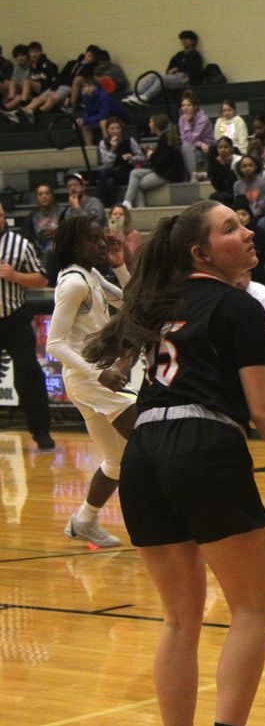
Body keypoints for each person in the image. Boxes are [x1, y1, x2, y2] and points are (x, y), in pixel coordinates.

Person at [83, 200, 265, 726]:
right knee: (251, 607)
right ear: (202, 253)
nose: (247, 232)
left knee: (179, 620)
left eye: (244, 223)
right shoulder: (238, 306)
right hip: (203, 443)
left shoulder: (161, 303)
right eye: (230, 229)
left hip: (144, 451)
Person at [48, 217, 135, 549]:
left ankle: (84, 520)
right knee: (149, 443)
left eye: (103, 239)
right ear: (74, 246)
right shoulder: (74, 284)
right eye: (94, 240)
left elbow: (130, 303)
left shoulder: (92, 274)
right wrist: (98, 373)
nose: (102, 245)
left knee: (116, 462)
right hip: (92, 378)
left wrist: (121, 265)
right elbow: (53, 344)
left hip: (91, 378)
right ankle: (172, 521)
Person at [0, 204, 54, 451]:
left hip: (13, 318)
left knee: (29, 375)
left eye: (1, 214)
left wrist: (16, 277)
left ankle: (41, 432)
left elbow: (42, 279)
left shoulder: (19, 244)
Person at [124, 30, 203, 105]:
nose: (183, 41)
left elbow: (195, 72)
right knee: (153, 76)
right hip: (173, 77)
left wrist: (183, 73)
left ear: (193, 41)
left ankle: (146, 97)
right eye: (182, 39)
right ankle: (135, 95)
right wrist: (171, 71)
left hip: (185, 80)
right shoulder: (179, 55)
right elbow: (168, 69)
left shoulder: (196, 56)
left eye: (186, 39)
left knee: (163, 79)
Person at [124, 115, 186, 209]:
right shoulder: (164, 138)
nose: (149, 125)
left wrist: (151, 155)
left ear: (156, 125)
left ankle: (140, 208)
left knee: (137, 185)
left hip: (166, 174)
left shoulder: (164, 139)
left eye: (150, 122)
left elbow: (161, 162)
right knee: (134, 173)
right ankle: (127, 201)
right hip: (162, 171)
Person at [96, 117, 143, 209]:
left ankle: (99, 205)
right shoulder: (104, 143)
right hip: (112, 172)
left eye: (118, 128)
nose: (115, 131)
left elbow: (142, 158)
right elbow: (107, 163)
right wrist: (113, 149)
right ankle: (111, 207)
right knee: (110, 182)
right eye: (112, 128)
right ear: (108, 130)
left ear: (121, 129)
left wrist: (132, 157)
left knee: (104, 172)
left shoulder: (129, 140)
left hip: (127, 171)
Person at [74, 76, 127, 145]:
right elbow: (87, 112)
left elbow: (104, 114)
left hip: (117, 117)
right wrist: (82, 120)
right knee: (85, 126)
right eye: (85, 86)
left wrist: (86, 120)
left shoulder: (103, 95)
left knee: (103, 122)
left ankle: (107, 145)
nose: (87, 88)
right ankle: (89, 149)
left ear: (95, 87)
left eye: (89, 86)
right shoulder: (86, 97)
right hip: (101, 118)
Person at [20, 184, 66, 261]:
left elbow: (70, 234)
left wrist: (58, 232)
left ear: (52, 196)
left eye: (47, 193)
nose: (44, 196)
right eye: (40, 194)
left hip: (60, 253)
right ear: (37, 198)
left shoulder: (63, 213)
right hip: (39, 256)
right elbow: (26, 239)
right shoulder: (31, 218)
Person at [179, 90, 215, 180]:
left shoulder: (203, 119)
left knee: (186, 147)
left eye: (188, 105)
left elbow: (193, 138)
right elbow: (184, 139)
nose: (185, 108)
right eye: (183, 105)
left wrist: (187, 124)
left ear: (195, 107)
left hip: (207, 150)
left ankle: (193, 177)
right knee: (184, 147)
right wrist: (200, 144)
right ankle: (192, 176)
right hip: (197, 147)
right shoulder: (181, 119)